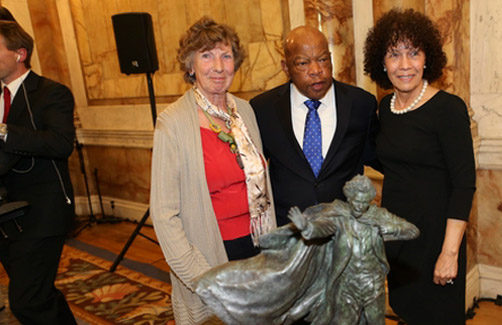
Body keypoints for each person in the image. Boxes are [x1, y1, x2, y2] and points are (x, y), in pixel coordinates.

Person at [150, 16, 276, 324]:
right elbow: (164, 214)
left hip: (257, 246)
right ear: (190, 66)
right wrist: (200, 275)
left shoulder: (244, 111)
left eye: (226, 55)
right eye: (206, 55)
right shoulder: (173, 123)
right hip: (210, 253)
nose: (218, 66)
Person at [363, 8, 477, 324]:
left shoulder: (448, 110)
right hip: (399, 238)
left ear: (427, 57)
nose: (404, 65)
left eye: (413, 53)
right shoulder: (385, 108)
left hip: (437, 239)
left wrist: (449, 253)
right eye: (394, 55)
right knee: (406, 311)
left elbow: (464, 185)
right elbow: (394, 164)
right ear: (381, 63)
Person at [195, 175, 419, 324]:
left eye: (364, 202)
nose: (359, 207)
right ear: (349, 199)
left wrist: (382, 225)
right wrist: (305, 226)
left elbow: (411, 231)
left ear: (371, 200)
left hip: (372, 286)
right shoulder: (340, 218)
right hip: (346, 287)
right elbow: (319, 230)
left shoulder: (378, 216)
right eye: (355, 202)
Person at [250, 26, 379, 227]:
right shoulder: (263, 109)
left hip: (345, 233)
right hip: (289, 236)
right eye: (302, 63)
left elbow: (384, 158)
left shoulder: (361, 104)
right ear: (286, 67)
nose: (316, 70)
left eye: (322, 60)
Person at [0, 20, 77, 323]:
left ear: (19, 53)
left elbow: (60, 143)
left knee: (27, 301)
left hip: (41, 213)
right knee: (39, 294)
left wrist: (4, 130)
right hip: (5, 215)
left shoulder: (51, 93)